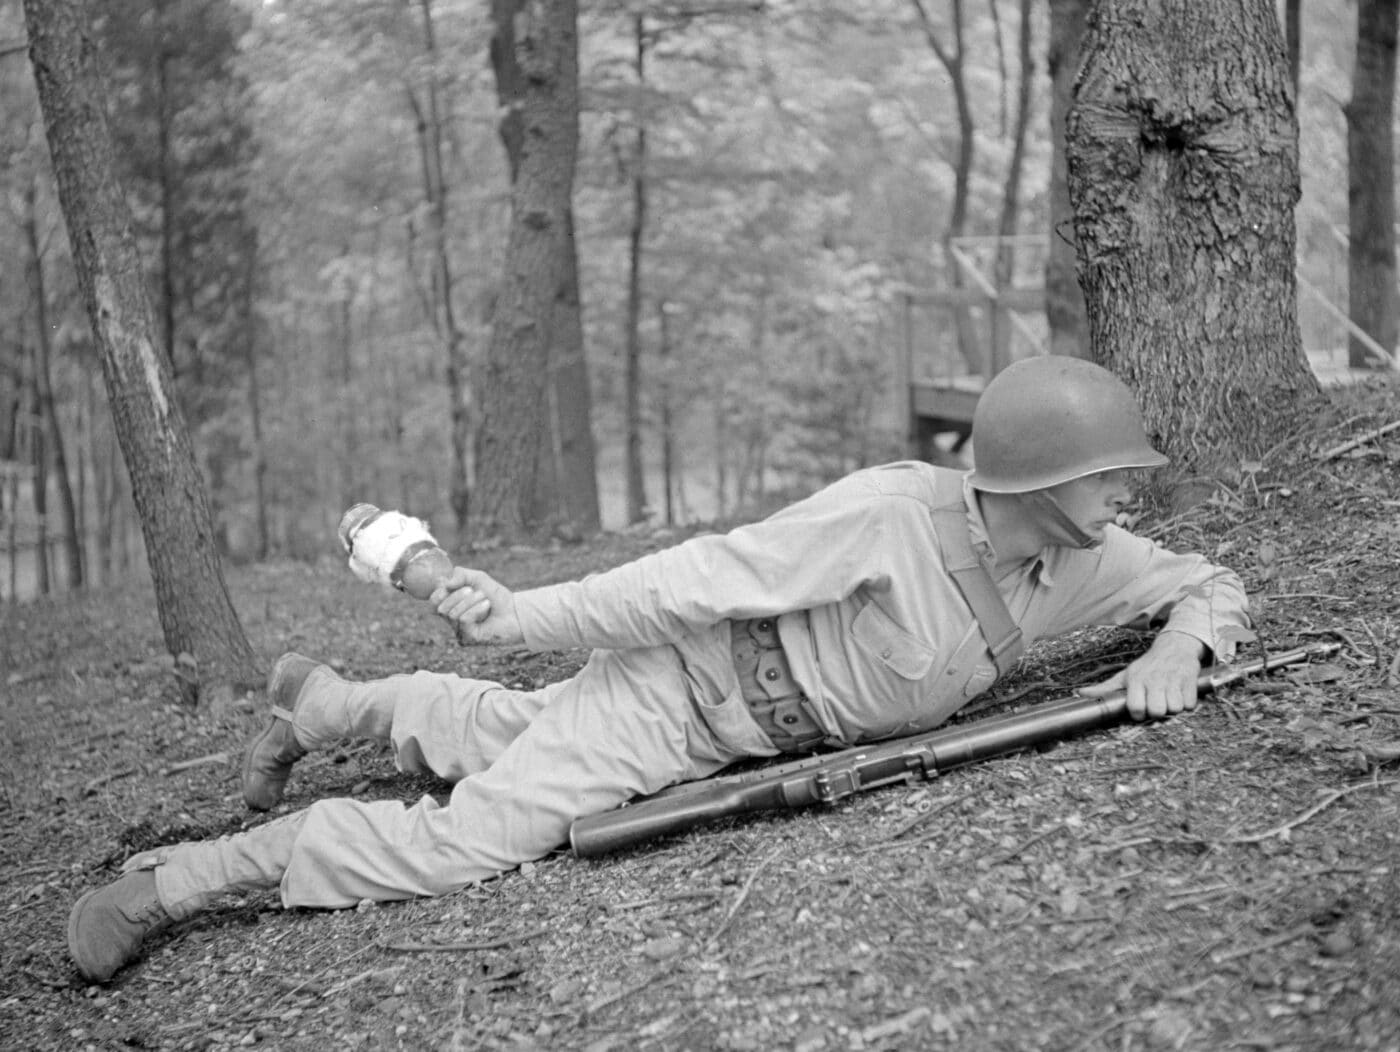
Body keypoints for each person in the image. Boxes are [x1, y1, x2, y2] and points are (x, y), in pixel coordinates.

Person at [67, 356, 1250, 984]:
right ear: (1043, 481)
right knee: (469, 838)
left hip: (711, 737)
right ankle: (180, 878)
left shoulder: (1084, 560)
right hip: (671, 695)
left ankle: (325, 701)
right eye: (1108, 473)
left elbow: (1208, 582)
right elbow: (692, 579)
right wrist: (524, 606)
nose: (1126, 491)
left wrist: (1178, 644)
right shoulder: (889, 518)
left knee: (507, 732)